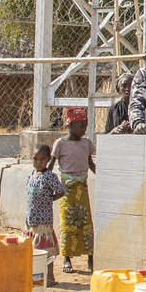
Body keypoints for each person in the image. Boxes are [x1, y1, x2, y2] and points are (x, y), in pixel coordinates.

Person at [50, 109, 95, 272]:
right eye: (80, 126)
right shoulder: (60, 144)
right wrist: (47, 184)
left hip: (82, 189)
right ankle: (66, 259)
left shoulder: (87, 143)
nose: (83, 129)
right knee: (67, 223)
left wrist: (103, 176)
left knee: (86, 223)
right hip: (66, 190)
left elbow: (90, 163)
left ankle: (91, 257)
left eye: (85, 126)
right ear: (70, 125)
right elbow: (51, 165)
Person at [25, 144, 65, 285]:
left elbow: (60, 191)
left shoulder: (49, 176)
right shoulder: (31, 175)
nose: (38, 162)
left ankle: (49, 277)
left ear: (48, 159)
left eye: (42, 159)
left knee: (46, 252)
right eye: (35, 159)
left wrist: (49, 199)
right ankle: (35, 275)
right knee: (33, 251)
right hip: (32, 221)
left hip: (44, 221)